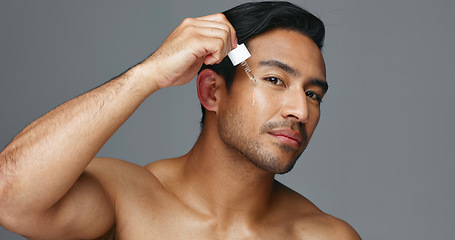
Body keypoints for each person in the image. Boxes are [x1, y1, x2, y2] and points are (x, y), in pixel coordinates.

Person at [0, 1, 361, 239]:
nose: (300, 110)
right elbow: (9, 197)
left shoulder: (324, 235)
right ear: (212, 93)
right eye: (275, 80)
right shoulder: (129, 202)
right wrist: (148, 74)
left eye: (313, 94)